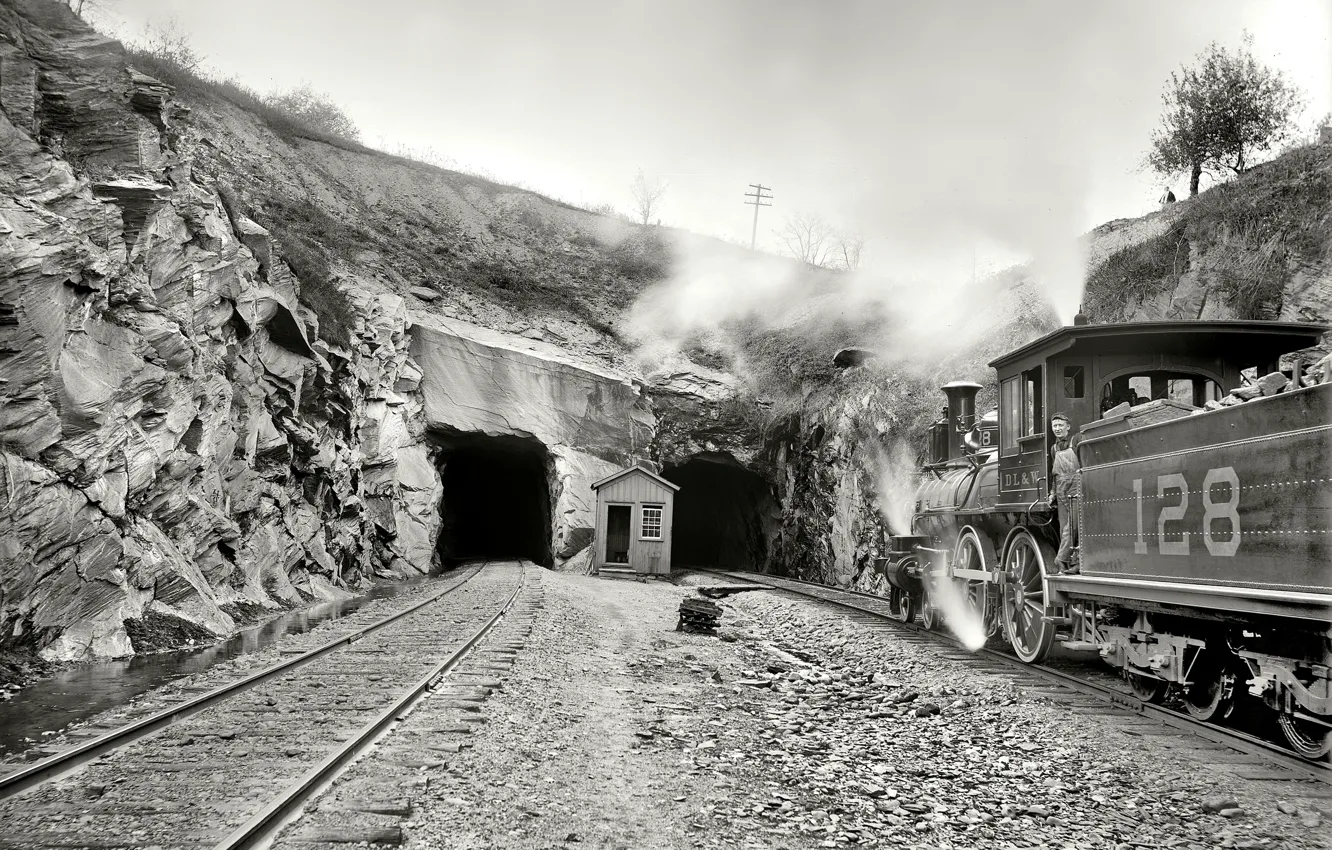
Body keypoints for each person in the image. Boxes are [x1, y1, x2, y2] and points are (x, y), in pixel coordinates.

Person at [1049, 412, 1081, 575]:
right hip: (1061, 490)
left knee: (1074, 525)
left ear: (1068, 427)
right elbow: (1054, 474)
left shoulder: (1076, 441)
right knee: (1064, 529)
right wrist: (1053, 493)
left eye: (1060, 425)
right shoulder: (1054, 448)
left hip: (1076, 486)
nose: (1057, 428)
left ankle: (1062, 559)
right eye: (1055, 426)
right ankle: (1068, 564)